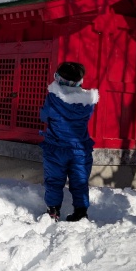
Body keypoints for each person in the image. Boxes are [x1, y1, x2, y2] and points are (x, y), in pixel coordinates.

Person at [39, 61, 99, 222]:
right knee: (79, 181)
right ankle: (81, 212)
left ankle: (53, 211)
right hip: (80, 149)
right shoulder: (88, 102)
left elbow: (44, 116)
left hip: (56, 148)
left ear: (59, 79)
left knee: (54, 180)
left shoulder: (53, 99)